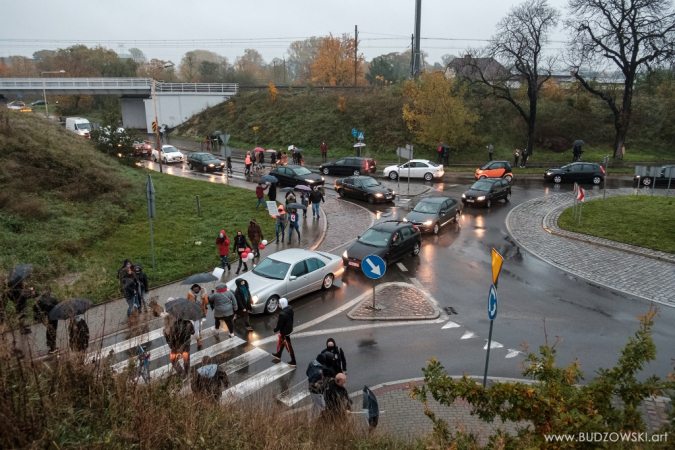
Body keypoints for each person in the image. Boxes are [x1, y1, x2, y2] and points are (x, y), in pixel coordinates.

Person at [33, 286, 59, 354]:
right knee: (53, 331)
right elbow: (58, 307)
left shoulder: (39, 300)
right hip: (53, 317)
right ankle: (52, 347)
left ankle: (49, 343)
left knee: (48, 329)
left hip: (44, 318)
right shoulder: (53, 299)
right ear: (49, 292)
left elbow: (35, 309)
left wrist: (37, 318)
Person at [271, 297, 296, 366]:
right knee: (282, 342)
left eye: (279, 303)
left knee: (288, 346)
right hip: (289, 329)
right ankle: (279, 354)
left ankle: (293, 361)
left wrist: (274, 330)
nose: (278, 304)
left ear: (282, 304)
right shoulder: (290, 309)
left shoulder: (282, 315)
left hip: (285, 332)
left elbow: (279, 326)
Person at [306, 353, 327, 418]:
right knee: (321, 405)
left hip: (311, 389)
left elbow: (307, 373)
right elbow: (314, 383)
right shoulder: (319, 372)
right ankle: (315, 419)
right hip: (316, 391)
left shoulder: (311, 363)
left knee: (315, 404)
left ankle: (311, 417)